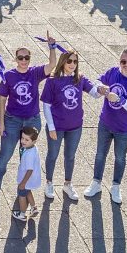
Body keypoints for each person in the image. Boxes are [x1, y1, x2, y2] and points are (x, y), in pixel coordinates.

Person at [39, 43, 103, 201]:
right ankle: (49, 182)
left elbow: (94, 93)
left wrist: (101, 89)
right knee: (52, 155)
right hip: (57, 127)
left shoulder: (79, 78)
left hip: (75, 127)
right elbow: (46, 106)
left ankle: (67, 184)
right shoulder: (53, 81)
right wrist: (52, 127)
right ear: (63, 62)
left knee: (70, 156)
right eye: (69, 61)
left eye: (75, 61)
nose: (72, 64)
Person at [82, 49, 127, 205]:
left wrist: (120, 100)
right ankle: (96, 182)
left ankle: (116, 186)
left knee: (120, 158)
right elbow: (97, 81)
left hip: (124, 128)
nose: (126, 65)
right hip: (105, 122)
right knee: (99, 155)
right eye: (123, 61)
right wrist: (100, 87)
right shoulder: (112, 72)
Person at [0, 44, 46, 199]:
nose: (24, 60)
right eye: (20, 57)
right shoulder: (9, 75)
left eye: (27, 57)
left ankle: (23, 187)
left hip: (32, 119)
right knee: (5, 154)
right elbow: (1, 100)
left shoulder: (35, 72)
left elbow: (52, 65)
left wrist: (52, 47)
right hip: (12, 120)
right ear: (16, 59)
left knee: (26, 156)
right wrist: (1, 123)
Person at [12, 127, 41, 222]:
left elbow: (29, 170)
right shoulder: (33, 148)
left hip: (26, 179)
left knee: (22, 195)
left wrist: (23, 183)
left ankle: (22, 214)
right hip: (31, 180)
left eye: (27, 140)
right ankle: (34, 207)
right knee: (28, 191)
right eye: (22, 138)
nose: (23, 141)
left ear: (34, 141)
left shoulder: (29, 154)